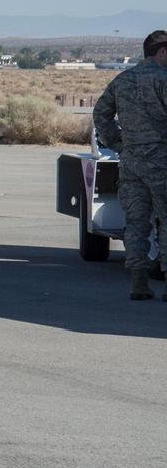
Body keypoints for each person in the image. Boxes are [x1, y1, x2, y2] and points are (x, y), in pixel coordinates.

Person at [93, 29, 167, 301]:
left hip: (131, 162)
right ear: (161, 51)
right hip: (161, 160)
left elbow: (101, 114)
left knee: (136, 223)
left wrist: (119, 143)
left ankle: (138, 282)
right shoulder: (163, 80)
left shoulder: (122, 80)